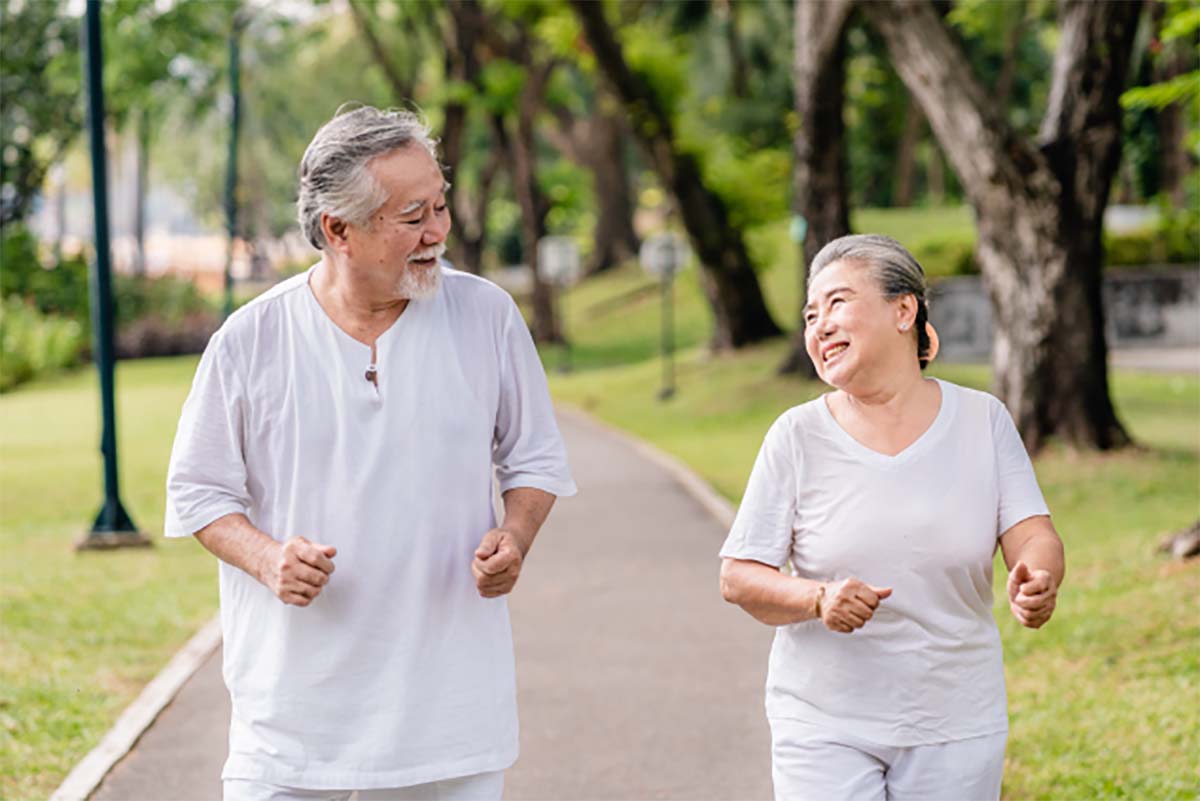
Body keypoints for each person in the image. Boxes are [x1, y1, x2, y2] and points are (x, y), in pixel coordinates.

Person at [165, 106, 576, 801]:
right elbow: (199, 490)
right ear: (338, 230)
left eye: (441, 205)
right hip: (291, 723)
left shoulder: (488, 317)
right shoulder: (250, 339)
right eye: (413, 215)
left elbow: (533, 460)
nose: (438, 232)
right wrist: (267, 558)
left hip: (449, 719)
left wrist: (516, 535)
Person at [718, 234, 1064, 801]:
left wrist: (1038, 575)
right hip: (822, 720)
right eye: (810, 315)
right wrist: (818, 598)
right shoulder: (796, 436)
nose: (819, 326)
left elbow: (1033, 534)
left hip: (954, 720)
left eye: (837, 303)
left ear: (904, 310)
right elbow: (738, 576)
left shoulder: (982, 420)